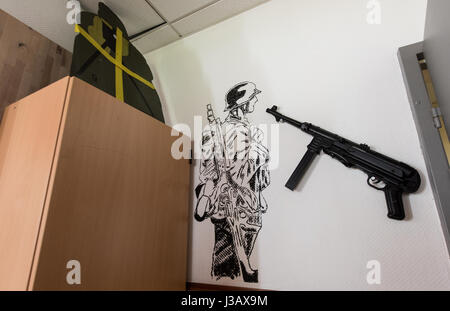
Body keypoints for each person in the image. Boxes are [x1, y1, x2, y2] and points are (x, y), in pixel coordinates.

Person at [194, 82, 270, 283]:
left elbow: (207, 171)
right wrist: (260, 152)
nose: (254, 100)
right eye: (252, 98)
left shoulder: (219, 129)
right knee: (230, 270)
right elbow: (240, 174)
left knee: (225, 269)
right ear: (243, 105)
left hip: (223, 207)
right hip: (240, 208)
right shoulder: (239, 132)